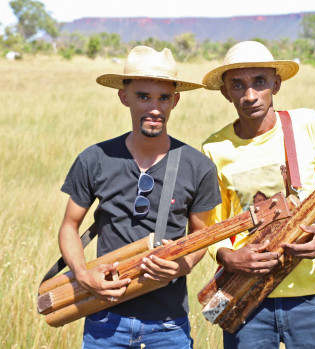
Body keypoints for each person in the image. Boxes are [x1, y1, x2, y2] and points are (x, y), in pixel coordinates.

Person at [58, 46, 221, 348]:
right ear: (124, 97)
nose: (154, 108)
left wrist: (184, 264)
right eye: (143, 96)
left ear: (176, 100)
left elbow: (203, 235)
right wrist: (83, 275)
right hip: (104, 322)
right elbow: (69, 226)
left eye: (163, 98)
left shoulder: (198, 166)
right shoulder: (95, 158)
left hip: (168, 327)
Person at [201, 41, 315, 348]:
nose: (250, 95)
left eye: (260, 82)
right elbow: (211, 227)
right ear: (225, 92)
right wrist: (229, 256)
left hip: (314, 298)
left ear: (276, 84)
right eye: (238, 85)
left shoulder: (307, 125)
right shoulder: (214, 149)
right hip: (246, 297)